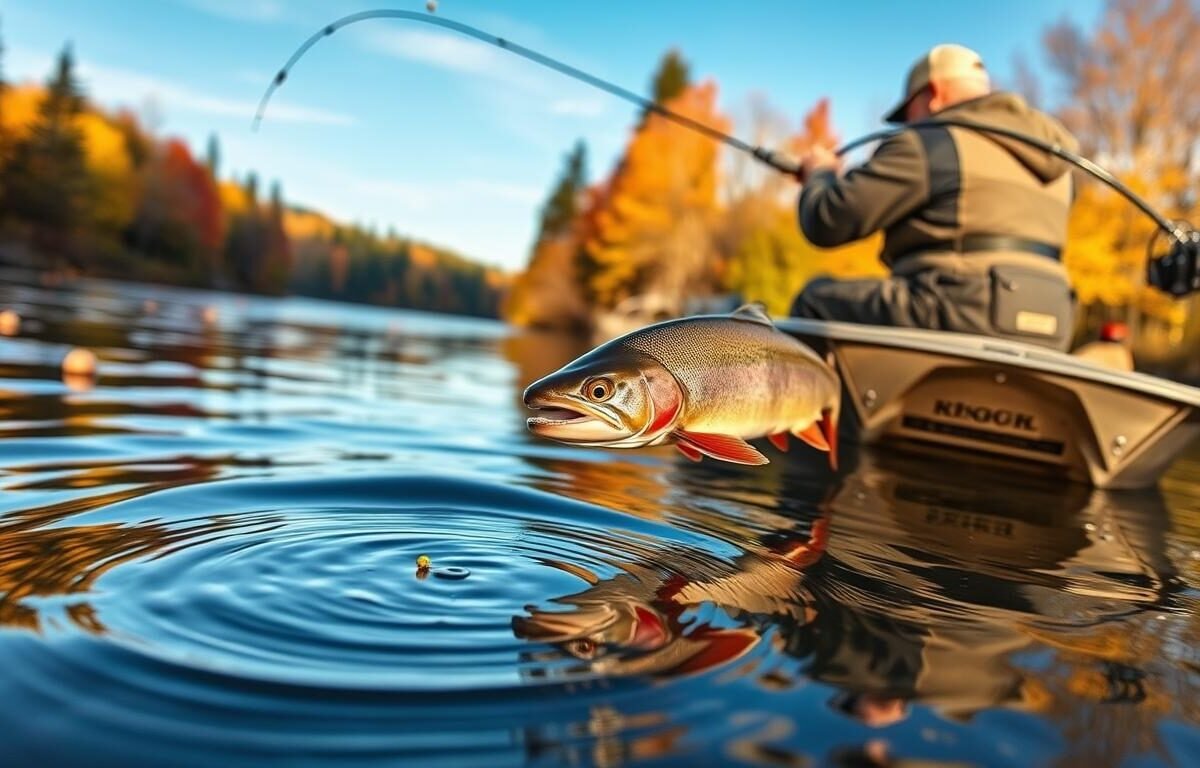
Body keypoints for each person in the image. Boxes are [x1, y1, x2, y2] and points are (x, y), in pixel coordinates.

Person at [791, 44, 1079, 351]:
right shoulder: (1059, 166)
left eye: (908, 112)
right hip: (1056, 323)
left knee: (814, 302)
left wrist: (820, 175)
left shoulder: (931, 143)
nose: (909, 125)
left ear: (934, 93)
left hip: (956, 309)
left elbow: (828, 220)